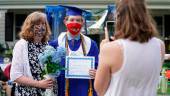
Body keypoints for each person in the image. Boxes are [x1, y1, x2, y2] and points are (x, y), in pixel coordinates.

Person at [94, 0, 165, 96]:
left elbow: (100, 90)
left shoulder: (110, 49)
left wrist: (103, 51)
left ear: (119, 17)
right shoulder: (160, 45)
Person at [49, 5, 99, 96]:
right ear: (65, 21)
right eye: (72, 20)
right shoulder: (54, 44)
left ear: (82, 22)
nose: (75, 23)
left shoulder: (91, 45)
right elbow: (50, 71)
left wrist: (97, 73)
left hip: (84, 89)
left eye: (78, 20)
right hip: (62, 90)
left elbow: (99, 67)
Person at [10, 11, 54, 96]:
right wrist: (39, 84)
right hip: (27, 93)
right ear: (30, 26)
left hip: (46, 92)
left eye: (44, 24)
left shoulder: (46, 45)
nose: (41, 27)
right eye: (37, 24)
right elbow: (15, 75)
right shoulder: (21, 45)